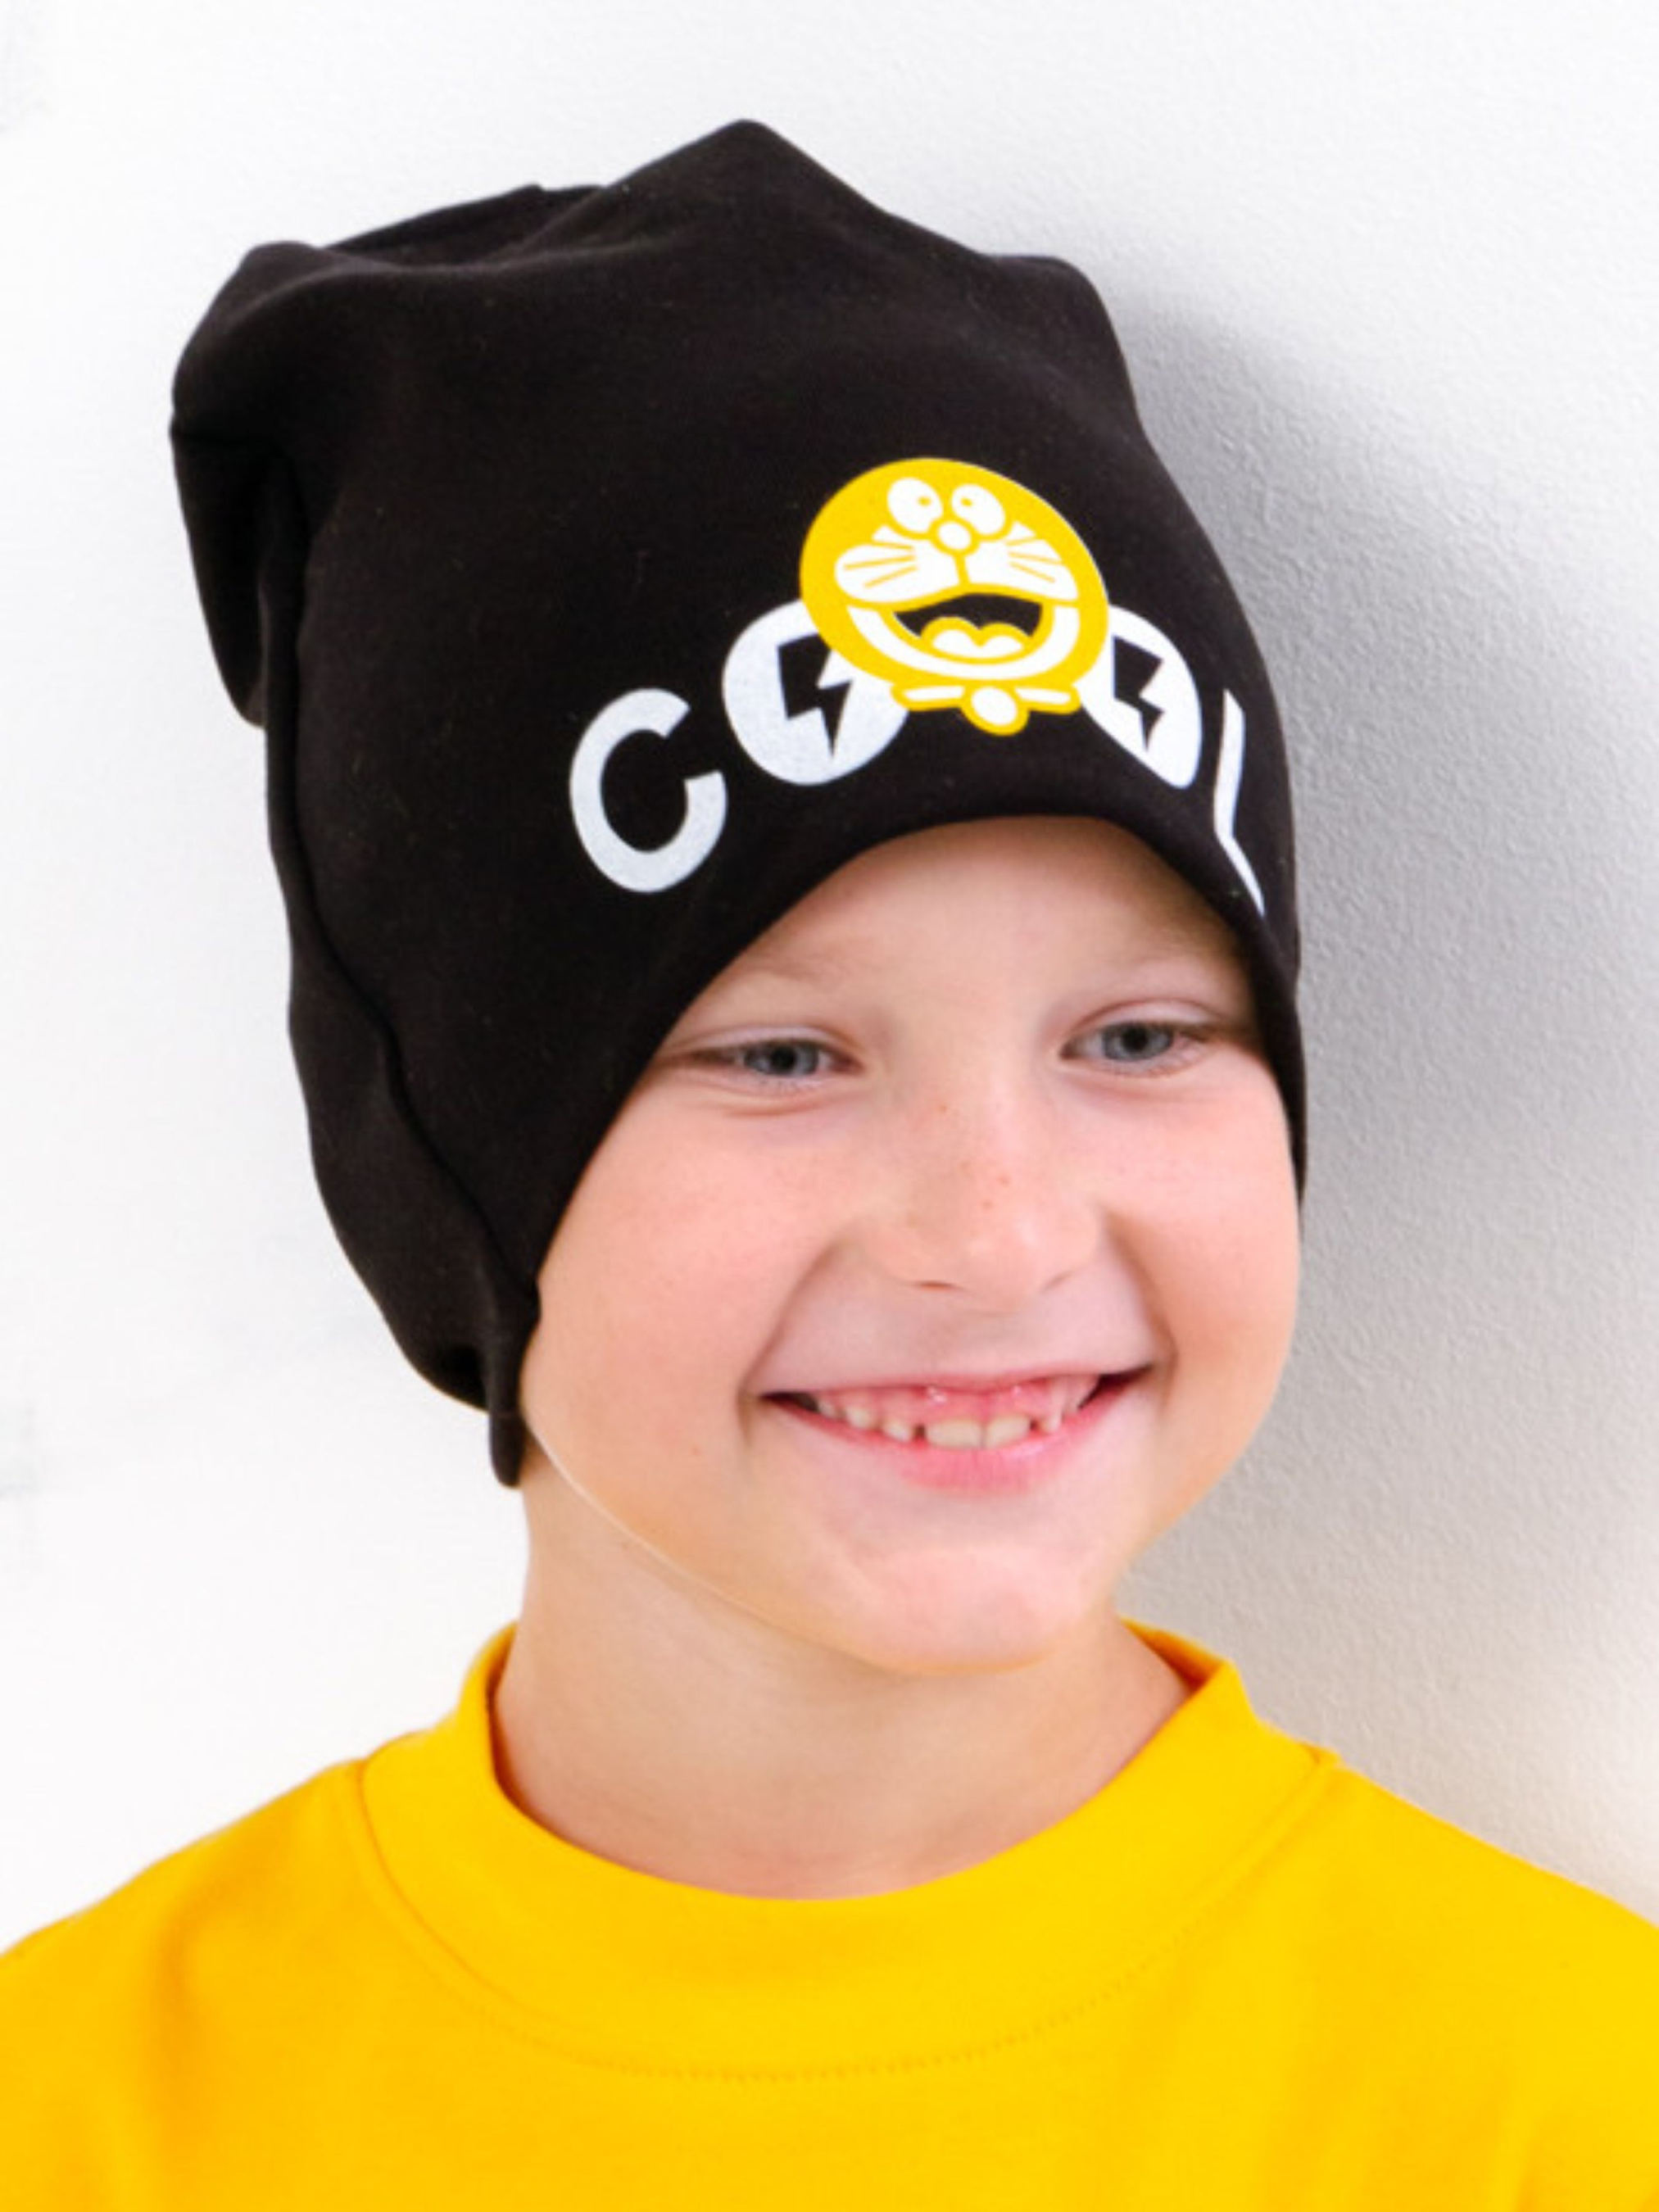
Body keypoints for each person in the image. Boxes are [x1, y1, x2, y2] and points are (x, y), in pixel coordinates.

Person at [2, 120, 1655, 2207]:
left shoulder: (1566, 2113)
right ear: (451, 1171)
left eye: (1137, 1037)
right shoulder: (78, 2116)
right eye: (781, 1055)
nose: (999, 1232)